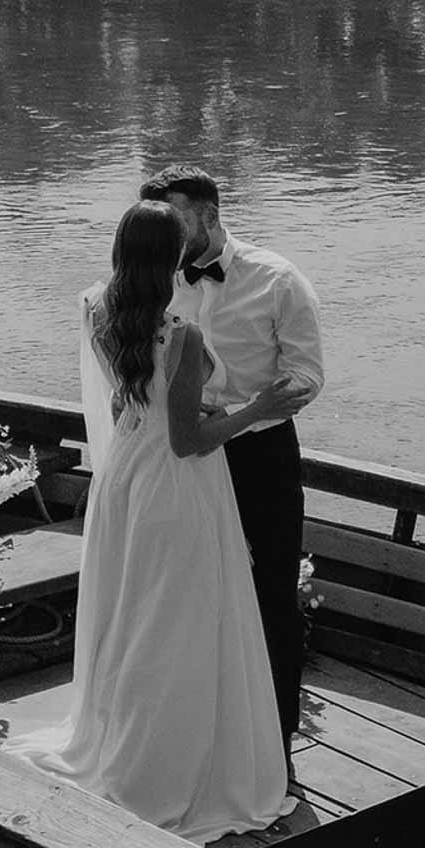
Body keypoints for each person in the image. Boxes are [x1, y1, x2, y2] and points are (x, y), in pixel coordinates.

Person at [10, 200, 309, 844]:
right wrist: (260, 404)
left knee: (133, 618)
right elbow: (190, 440)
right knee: (180, 626)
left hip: (122, 481)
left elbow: (133, 405)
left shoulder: (96, 309)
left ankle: (123, 737)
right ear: (171, 257)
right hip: (179, 492)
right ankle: (167, 765)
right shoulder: (180, 336)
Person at [137, 164, 325, 773]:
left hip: (260, 451)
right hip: (179, 458)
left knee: (270, 587)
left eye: (179, 220)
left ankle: (276, 734)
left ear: (213, 215)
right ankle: (206, 727)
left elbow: (305, 377)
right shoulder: (149, 278)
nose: (167, 232)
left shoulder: (278, 280)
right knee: (189, 589)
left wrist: (237, 411)